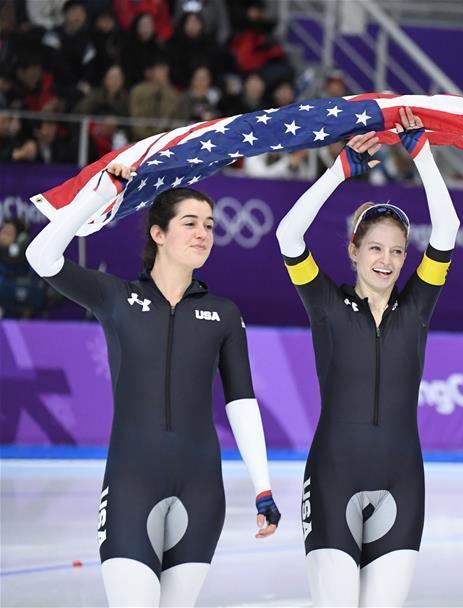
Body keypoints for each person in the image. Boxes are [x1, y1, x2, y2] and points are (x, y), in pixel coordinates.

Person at [25, 166, 281, 607]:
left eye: (209, 226)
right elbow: (41, 257)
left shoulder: (223, 313)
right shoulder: (116, 297)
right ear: (158, 234)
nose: (203, 233)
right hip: (131, 485)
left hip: (202, 490)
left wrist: (263, 488)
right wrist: (99, 194)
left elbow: (241, 401)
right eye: (190, 223)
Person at [275, 107, 460, 606]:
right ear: (354, 250)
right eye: (375, 248)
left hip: (403, 481)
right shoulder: (324, 302)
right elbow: (287, 236)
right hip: (334, 476)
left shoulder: (418, 305)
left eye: (397, 252)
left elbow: (448, 227)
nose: (386, 261)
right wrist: (338, 171)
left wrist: (421, 153)